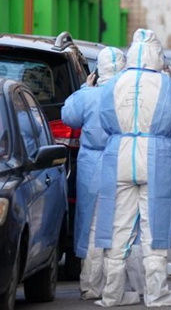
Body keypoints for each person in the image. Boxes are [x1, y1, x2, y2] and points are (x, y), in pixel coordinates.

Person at [95, 29, 171, 307]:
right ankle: (157, 293)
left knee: (118, 226)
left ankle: (112, 294)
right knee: (156, 226)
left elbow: (104, 120)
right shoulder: (167, 84)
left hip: (119, 154)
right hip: (157, 157)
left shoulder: (114, 83)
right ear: (157, 54)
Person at [62, 47, 127, 300]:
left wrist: (85, 89)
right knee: (120, 224)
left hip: (92, 165)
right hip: (122, 161)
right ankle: (117, 284)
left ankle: (91, 285)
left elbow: (69, 117)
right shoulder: (127, 93)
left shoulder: (88, 96)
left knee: (92, 225)